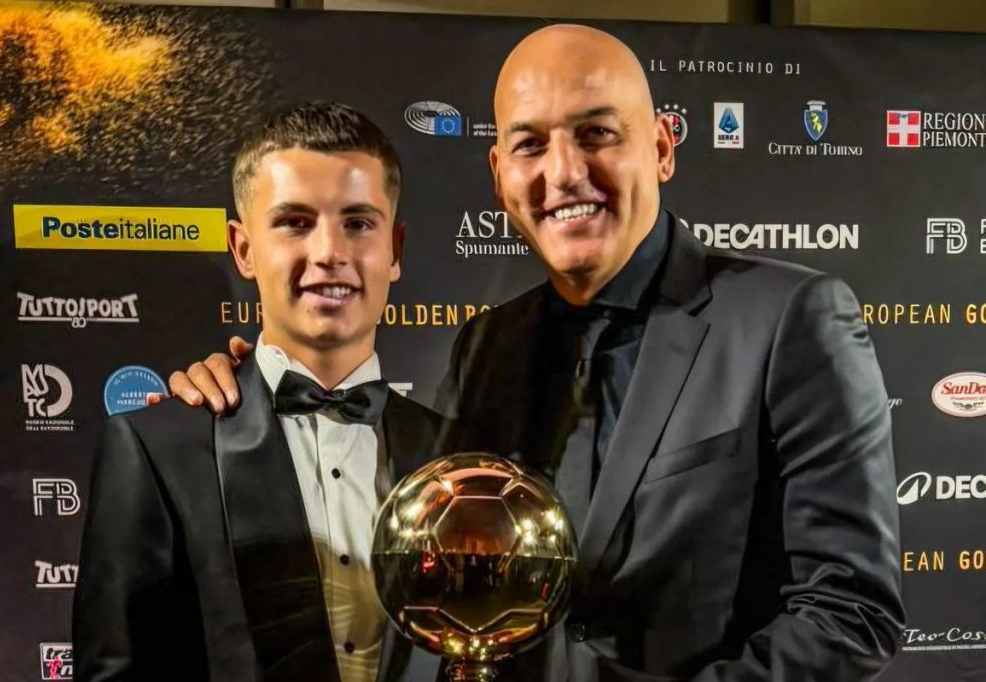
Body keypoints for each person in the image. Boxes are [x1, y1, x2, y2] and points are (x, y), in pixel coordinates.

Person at [169, 25, 904, 682]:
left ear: (660, 148)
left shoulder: (789, 318)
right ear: (499, 176)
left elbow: (850, 610)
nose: (564, 172)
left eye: (596, 133)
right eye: (530, 144)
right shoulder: (490, 345)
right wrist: (249, 390)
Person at [73, 102, 447, 682]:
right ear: (243, 249)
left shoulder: (456, 454)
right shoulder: (157, 449)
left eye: (358, 223)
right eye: (295, 222)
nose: (329, 252)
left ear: (394, 250)